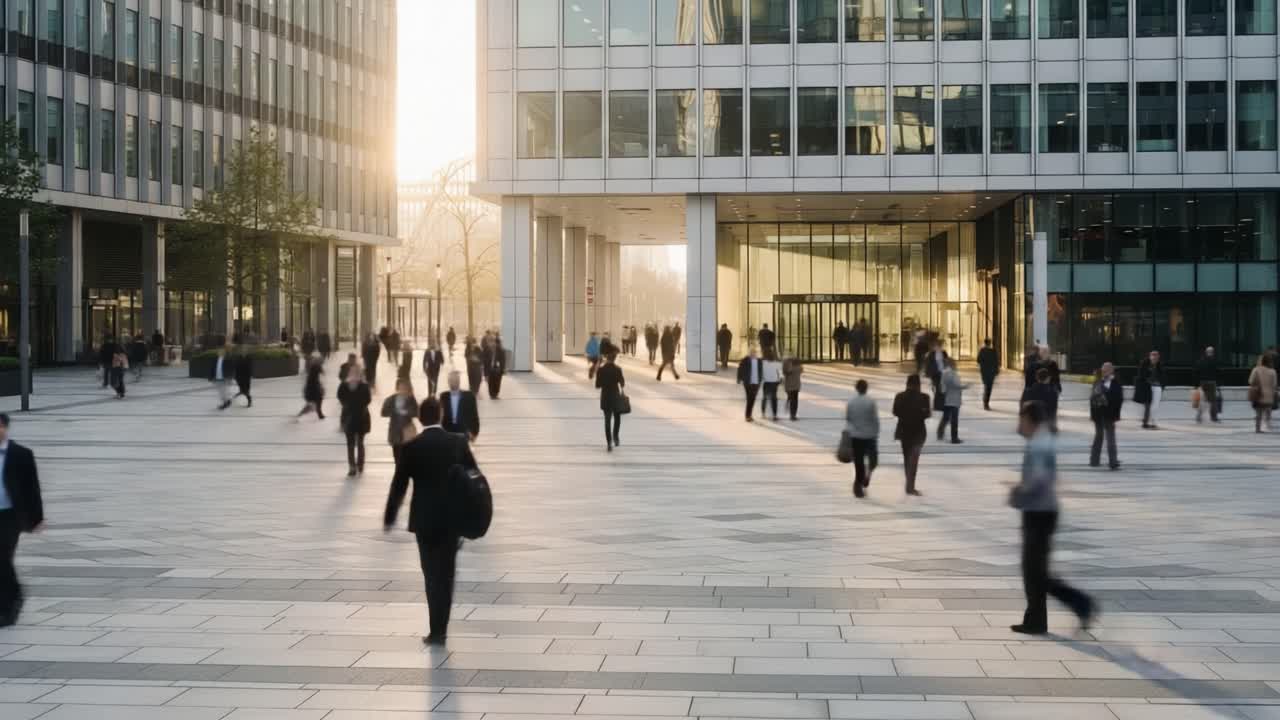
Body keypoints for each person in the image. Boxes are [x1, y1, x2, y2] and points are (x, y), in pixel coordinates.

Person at [383, 397, 477, 645]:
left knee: (430, 574)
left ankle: (434, 628)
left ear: (420, 419)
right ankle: (441, 630)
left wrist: (390, 516)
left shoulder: (412, 447)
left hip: (424, 521)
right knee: (446, 575)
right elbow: (473, 476)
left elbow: (399, 486)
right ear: (441, 415)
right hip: (450, 522)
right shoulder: (457, 443)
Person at [1008, 400, 1096, 636]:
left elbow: (1039, 479)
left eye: (1022, 419)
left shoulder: (1039, 444)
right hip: (1041, 511)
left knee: (1035, 572)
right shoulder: (1040, 439)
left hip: (1039, 513)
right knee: (1036, 571)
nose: (1020, 424)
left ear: (1030, 420)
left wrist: (1018, 491)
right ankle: (1038, 620)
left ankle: (1081, 605)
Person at [0, 413, 45, 627]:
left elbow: (32, 488)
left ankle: (10, 604)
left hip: (10, 516)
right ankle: (12, 596)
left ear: (5, 428)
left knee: (2, 557)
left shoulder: (22, 455)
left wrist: (36, 518)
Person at [892, 374, 932, 497]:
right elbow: (927, 414)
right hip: (918, 432)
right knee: (914, 459)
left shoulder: (900, 396)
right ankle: (910, 485)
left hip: (904, 431)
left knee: (907, 458)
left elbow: (895, 411)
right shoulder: (924, 397)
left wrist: (906, 414)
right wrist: (919, 413)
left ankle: (909, 484)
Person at [845, 379, 880, 498]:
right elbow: (875, 419)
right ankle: (867, 475)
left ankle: (858, 485)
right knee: (873, 460)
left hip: (856, 436)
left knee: (859, 463)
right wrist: (876, 432)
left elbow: (848, 418)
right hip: (869, 436)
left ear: (856, 388)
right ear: (866, 388)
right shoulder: (871, 401)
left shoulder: (851, 402)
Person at [338, 367, 372, 477]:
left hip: (360, 417)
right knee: (351, 444)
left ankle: (360, 464)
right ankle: (352, 466)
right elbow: (340, 396)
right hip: (350, 417)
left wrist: (352, 403)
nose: (355, 375)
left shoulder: (364, 386)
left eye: (357, 373)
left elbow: (368, 399)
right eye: (353, 373)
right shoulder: (344, 385)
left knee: (359, 442)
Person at [1089, 362, 1123, 470]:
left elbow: (1119, 399)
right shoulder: (1098, 382)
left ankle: (1112, 462)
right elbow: (1092, 399)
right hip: (1099, 414)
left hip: (1109, 414)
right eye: (1104, 370)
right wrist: (1093, 414)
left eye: (1107, 370)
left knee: (1109, 438)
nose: (1105, 372)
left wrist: (1116, 414)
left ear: (1112, 370)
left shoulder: (1115, 383)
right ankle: (1095, 460)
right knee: (1100, 437)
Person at [596, 349, 626, 452]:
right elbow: (622, 383)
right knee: (617, 418)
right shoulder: (618, 369)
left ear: (606, 358)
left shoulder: (601, 370)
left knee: (607, 420)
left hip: (605, 398)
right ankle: (616, 436)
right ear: (614, 358)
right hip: (615, 397)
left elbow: (597, 385)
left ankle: (609, 443)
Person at [440, 370, 480, 441]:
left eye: (455, 380)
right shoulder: (443, 396)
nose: (453, 382)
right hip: (447, 433)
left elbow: (474, 415)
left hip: (464, 433)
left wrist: (474, 433)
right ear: (448, 382)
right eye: (451, 380)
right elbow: (440, 416)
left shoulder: (469, 396)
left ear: (459, 381)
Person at [937, 358, 967, 444]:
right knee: (954, 419)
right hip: (953, 399)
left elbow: (943, 388)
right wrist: (965, 386)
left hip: (948, 399)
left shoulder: (945, 373)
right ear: (951, 364)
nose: (956, 365)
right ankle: (954, 438)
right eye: (954, 363)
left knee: (946, 417)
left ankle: (940, 433)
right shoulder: (950, 373)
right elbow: (955, 385)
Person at [1021, 367, 1060, 433]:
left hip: (1031, 422)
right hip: (1045, 423)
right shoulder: (1053, 393)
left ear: (1037, 378)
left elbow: (1023, 406)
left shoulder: (1027, 391)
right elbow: (1053, 410)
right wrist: (1053, 426)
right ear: (1048, 378)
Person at [1134, 350, 1165, 430]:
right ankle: (1145, 422)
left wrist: (1161, 386)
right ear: (1150, 356)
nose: (1155, 357)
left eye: (1156, 356)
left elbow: (1162, 376)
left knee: (1155, 405)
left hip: (1157, 387)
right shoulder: (1144, 364)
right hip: (1146, 387)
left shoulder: (1159, 365)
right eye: (1153, 356)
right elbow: (1141, 375)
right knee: (1147, 405)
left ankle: (1153, 422)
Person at [1249, 354, 1277, 433]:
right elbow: (1274, 384)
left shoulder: (1256, 370)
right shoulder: (1272, 371)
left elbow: (1250, 381)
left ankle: (1258, 428)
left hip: (1258, 394)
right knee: (1268, 409)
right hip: (1269, 396)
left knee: (1258, 412)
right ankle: (1267, 423)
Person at [737, 348, 763, 422]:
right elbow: (740, 369)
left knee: (753, 399)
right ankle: (748, 416)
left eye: (754, 352)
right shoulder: (745, 360)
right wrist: (739, 379)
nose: (753, 353)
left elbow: (761, 371)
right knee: (749, 398)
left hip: (756, 383)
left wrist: (760, 379)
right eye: (751, 352)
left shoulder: (759, 361)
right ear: (749, 353)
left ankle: (749, 415)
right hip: (748, 382)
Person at [1196, 346, 1221, 423]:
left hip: (1203, 382)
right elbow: (1217, 372)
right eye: (1212, 352)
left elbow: (1197, 371)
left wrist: (1198, 383)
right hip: (1211, 382)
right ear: (1212, 352)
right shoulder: (1214, 361)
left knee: (1203, 399)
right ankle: (1213, 417)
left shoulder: (1201, 361)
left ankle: (1199, 416)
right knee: (1213, 400)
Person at [297, 354, 326, 420]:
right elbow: (322, 373)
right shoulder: (316, 366)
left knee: (312, 403)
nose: (322, 362)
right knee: (314, 403)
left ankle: (302, 414)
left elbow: (316, 377)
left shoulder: (314, 367)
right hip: (312, 389)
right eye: (321, 361)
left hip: (311, 389)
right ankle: (319, 413)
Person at [977, 338, 1000, 411]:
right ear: (990, 343)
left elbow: (978, 360)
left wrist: (983, 365)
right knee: (989, 387)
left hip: (984, 372)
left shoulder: (982, 351)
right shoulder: (993, 351)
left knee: (986, 386)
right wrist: (996, 371)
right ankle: (986, 402)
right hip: (991, 372)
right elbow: (996, 362)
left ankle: (985, 402)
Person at [761, 350, 783, 421]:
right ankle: (774, 415)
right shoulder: (777, 364)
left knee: (765, 398)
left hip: (767, 382)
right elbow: (780, 373)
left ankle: (763, 413)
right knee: (774, 399)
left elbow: (761, 372)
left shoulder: (763, 363)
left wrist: (762, 378)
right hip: (774, 383)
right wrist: (780, 380)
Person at [210, 345, 233, 410]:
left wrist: (230, 377)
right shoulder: (215, 359)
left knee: (224, 391)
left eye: (222, 351)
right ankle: (227, 401)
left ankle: (225, 403)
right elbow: (212, 368)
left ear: (224, 352)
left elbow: (231, 369)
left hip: (224, 378)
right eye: (219, 351)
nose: (220, 352)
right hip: (217, 378)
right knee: (220, 392)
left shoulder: (228, 359)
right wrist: (211, 377)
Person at [783, 355, 804, 421]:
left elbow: (786, 372)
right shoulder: (798, 367)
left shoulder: (789, 366)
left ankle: (792, 415)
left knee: (793, 400)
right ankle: (793, 415)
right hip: (795, 386)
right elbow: (801, 370)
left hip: (790, 386)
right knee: (794, 401)